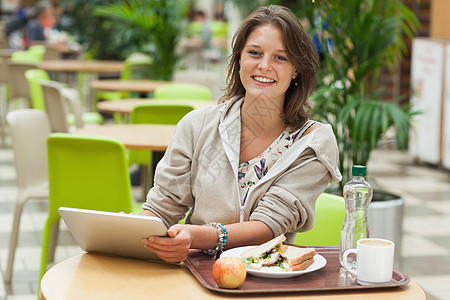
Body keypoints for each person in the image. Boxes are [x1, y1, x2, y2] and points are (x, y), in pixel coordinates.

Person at [141, 5, 342, 263]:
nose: (264, 65)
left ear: (296, 71)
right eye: (255, 53)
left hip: (268, 278)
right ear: (239, 60)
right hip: (194, 273)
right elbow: (163, 205)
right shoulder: (196, 126)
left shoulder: (312, 143)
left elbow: (269, 225)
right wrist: (136, 233)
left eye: (280, 58)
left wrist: (198, 236)